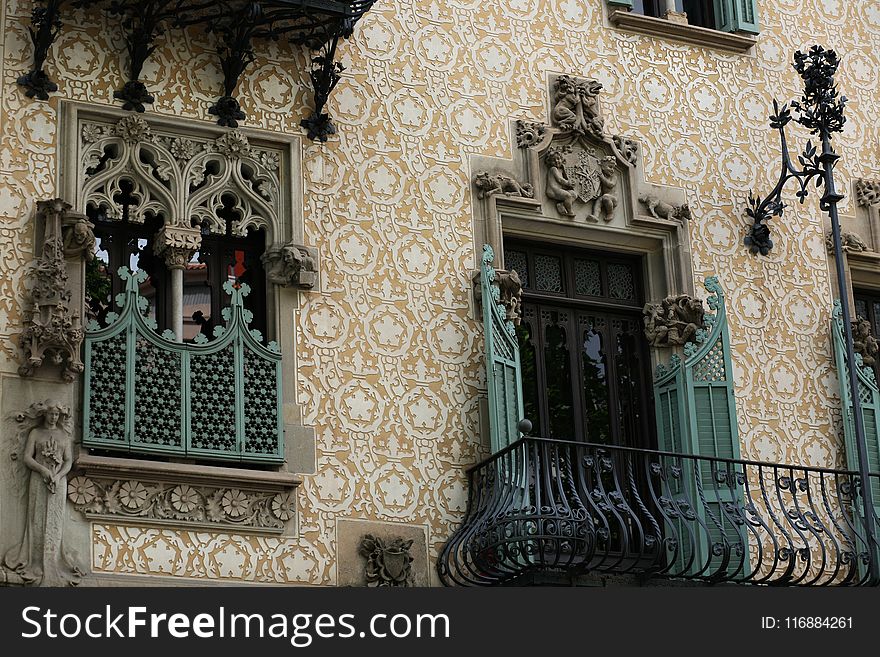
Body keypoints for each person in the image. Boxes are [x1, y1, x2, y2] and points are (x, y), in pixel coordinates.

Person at [4, 400, 82, 585]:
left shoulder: (64, 435)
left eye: (57, 415)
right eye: (51, 414)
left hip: (58, 482)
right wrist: (43, 470)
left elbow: (68, 461)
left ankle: (53, 561)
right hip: (39, 480)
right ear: (45, 414)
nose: (54, 417)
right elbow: (27, 458)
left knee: (55, 521)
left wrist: (58, 475)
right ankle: (36, 561)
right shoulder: (36, 433)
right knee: (37, 518)